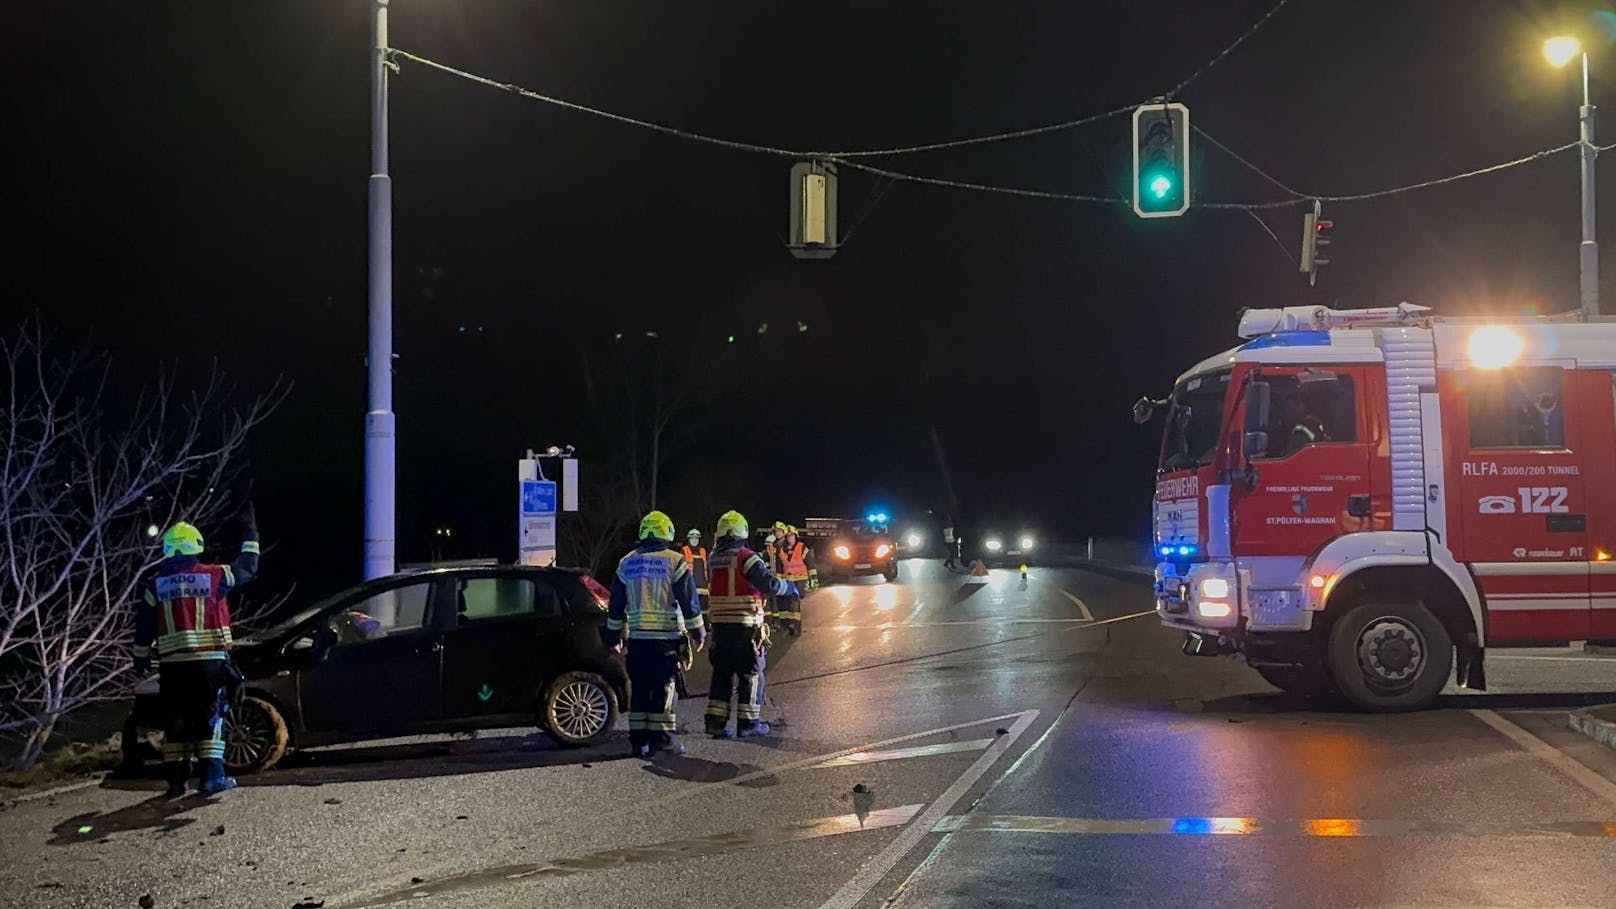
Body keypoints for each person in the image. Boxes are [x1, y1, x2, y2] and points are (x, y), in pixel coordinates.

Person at [133, 504, 260, 797]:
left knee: (176, 721)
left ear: (167, 549)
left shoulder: (156, 585)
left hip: (173, 666)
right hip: (209, 663)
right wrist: (251, 533)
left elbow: (144, 626)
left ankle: (176, 782)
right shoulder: (215, 576)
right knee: (211, 717)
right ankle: (212, 778)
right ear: (196, 545)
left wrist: (139, 656)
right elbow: (247, 568)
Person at [605, 510, 705, 757]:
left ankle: (639, 743)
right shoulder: (675, 560)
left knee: (639, 689)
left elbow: (616, 604)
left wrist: (613, 636)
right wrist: (698, 631)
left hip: (637, 640)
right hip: (666, 639)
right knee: (664, 688)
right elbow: (688, 600)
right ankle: (662, 739)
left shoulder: (626, 562)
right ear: (666, 531)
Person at [703, 510, 796, 738]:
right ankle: (748, 724)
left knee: (721, 675)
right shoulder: (747, 556)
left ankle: (715, 723)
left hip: (720, 628)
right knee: (751, 674)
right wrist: (791, 588)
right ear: (741, 531)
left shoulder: (714, 558)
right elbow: (768, 584)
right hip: (745, 627)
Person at [774, 525, 812, 635]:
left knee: (794, 601)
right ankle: (788, 624)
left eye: (792, 536)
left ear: (796, 536)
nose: (790, 538)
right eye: (788, 536)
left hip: (800, 579)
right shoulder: (782, 549)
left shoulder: (802, 547)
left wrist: (813, 578)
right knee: (786, 602)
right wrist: (779, 578)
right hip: (787, 579)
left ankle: (796, 627)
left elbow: (810, 563)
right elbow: (780, 565)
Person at [680, 529, 710, 602]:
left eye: (696, 538)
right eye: (692, 538)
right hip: (689, 584)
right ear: (689, 539)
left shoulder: (703, 551)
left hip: (703, 586)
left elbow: (707, 567)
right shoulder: (684, 550)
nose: (694, 540)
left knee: (703, 607)